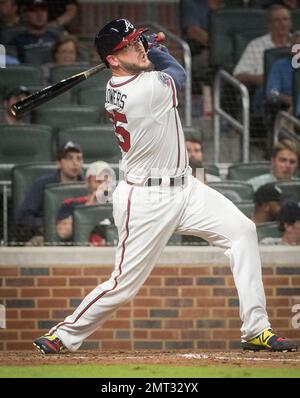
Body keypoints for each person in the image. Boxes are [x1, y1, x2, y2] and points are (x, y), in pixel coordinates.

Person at [33, 18, 297, 354]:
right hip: (145, 199)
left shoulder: (126, 78)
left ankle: (256, 330)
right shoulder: (142, 90)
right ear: (112, 60)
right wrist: (156, 49)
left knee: (242, 231)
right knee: (123, 286)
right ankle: (63, 335)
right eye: (129, 45)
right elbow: (179, 74)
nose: (138, 46)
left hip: (186, 186)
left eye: (137, 41)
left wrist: (142, 47)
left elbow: (150, 64)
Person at [16, 141, 84, 244]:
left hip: (80, 240)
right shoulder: (42, 184)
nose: (75, 163)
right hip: (46, 238)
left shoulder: (86, 186)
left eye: (79, 158)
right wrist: (50, 227)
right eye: (69, 158)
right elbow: (24, 217)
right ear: (58, 163)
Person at [56, 161, 115, 243]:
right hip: (81, 253)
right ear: (88, 183)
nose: (102, 186)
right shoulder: (71, 204)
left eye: (107, 182)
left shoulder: (121, 206)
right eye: (98, 182)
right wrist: (87, 209)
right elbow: (63, 233)